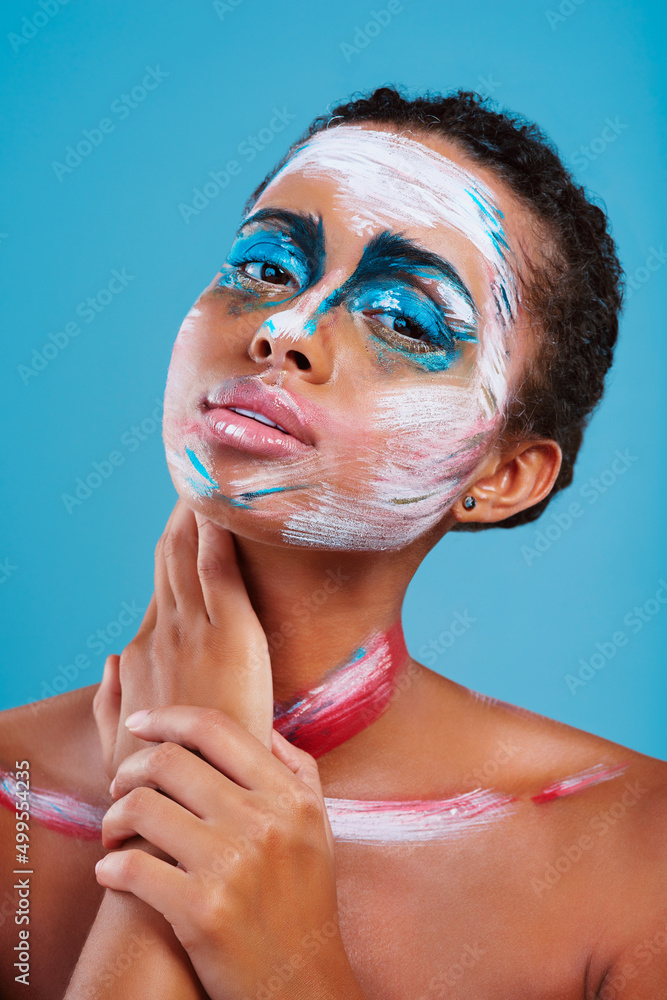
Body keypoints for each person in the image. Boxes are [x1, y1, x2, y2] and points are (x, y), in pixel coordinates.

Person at [1, 87, 665, 1000]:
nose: (282, 329)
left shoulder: (639, 851)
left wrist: (288, 966)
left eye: (403, 320)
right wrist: (184, 807)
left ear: (503, 475)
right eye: (267, 265)